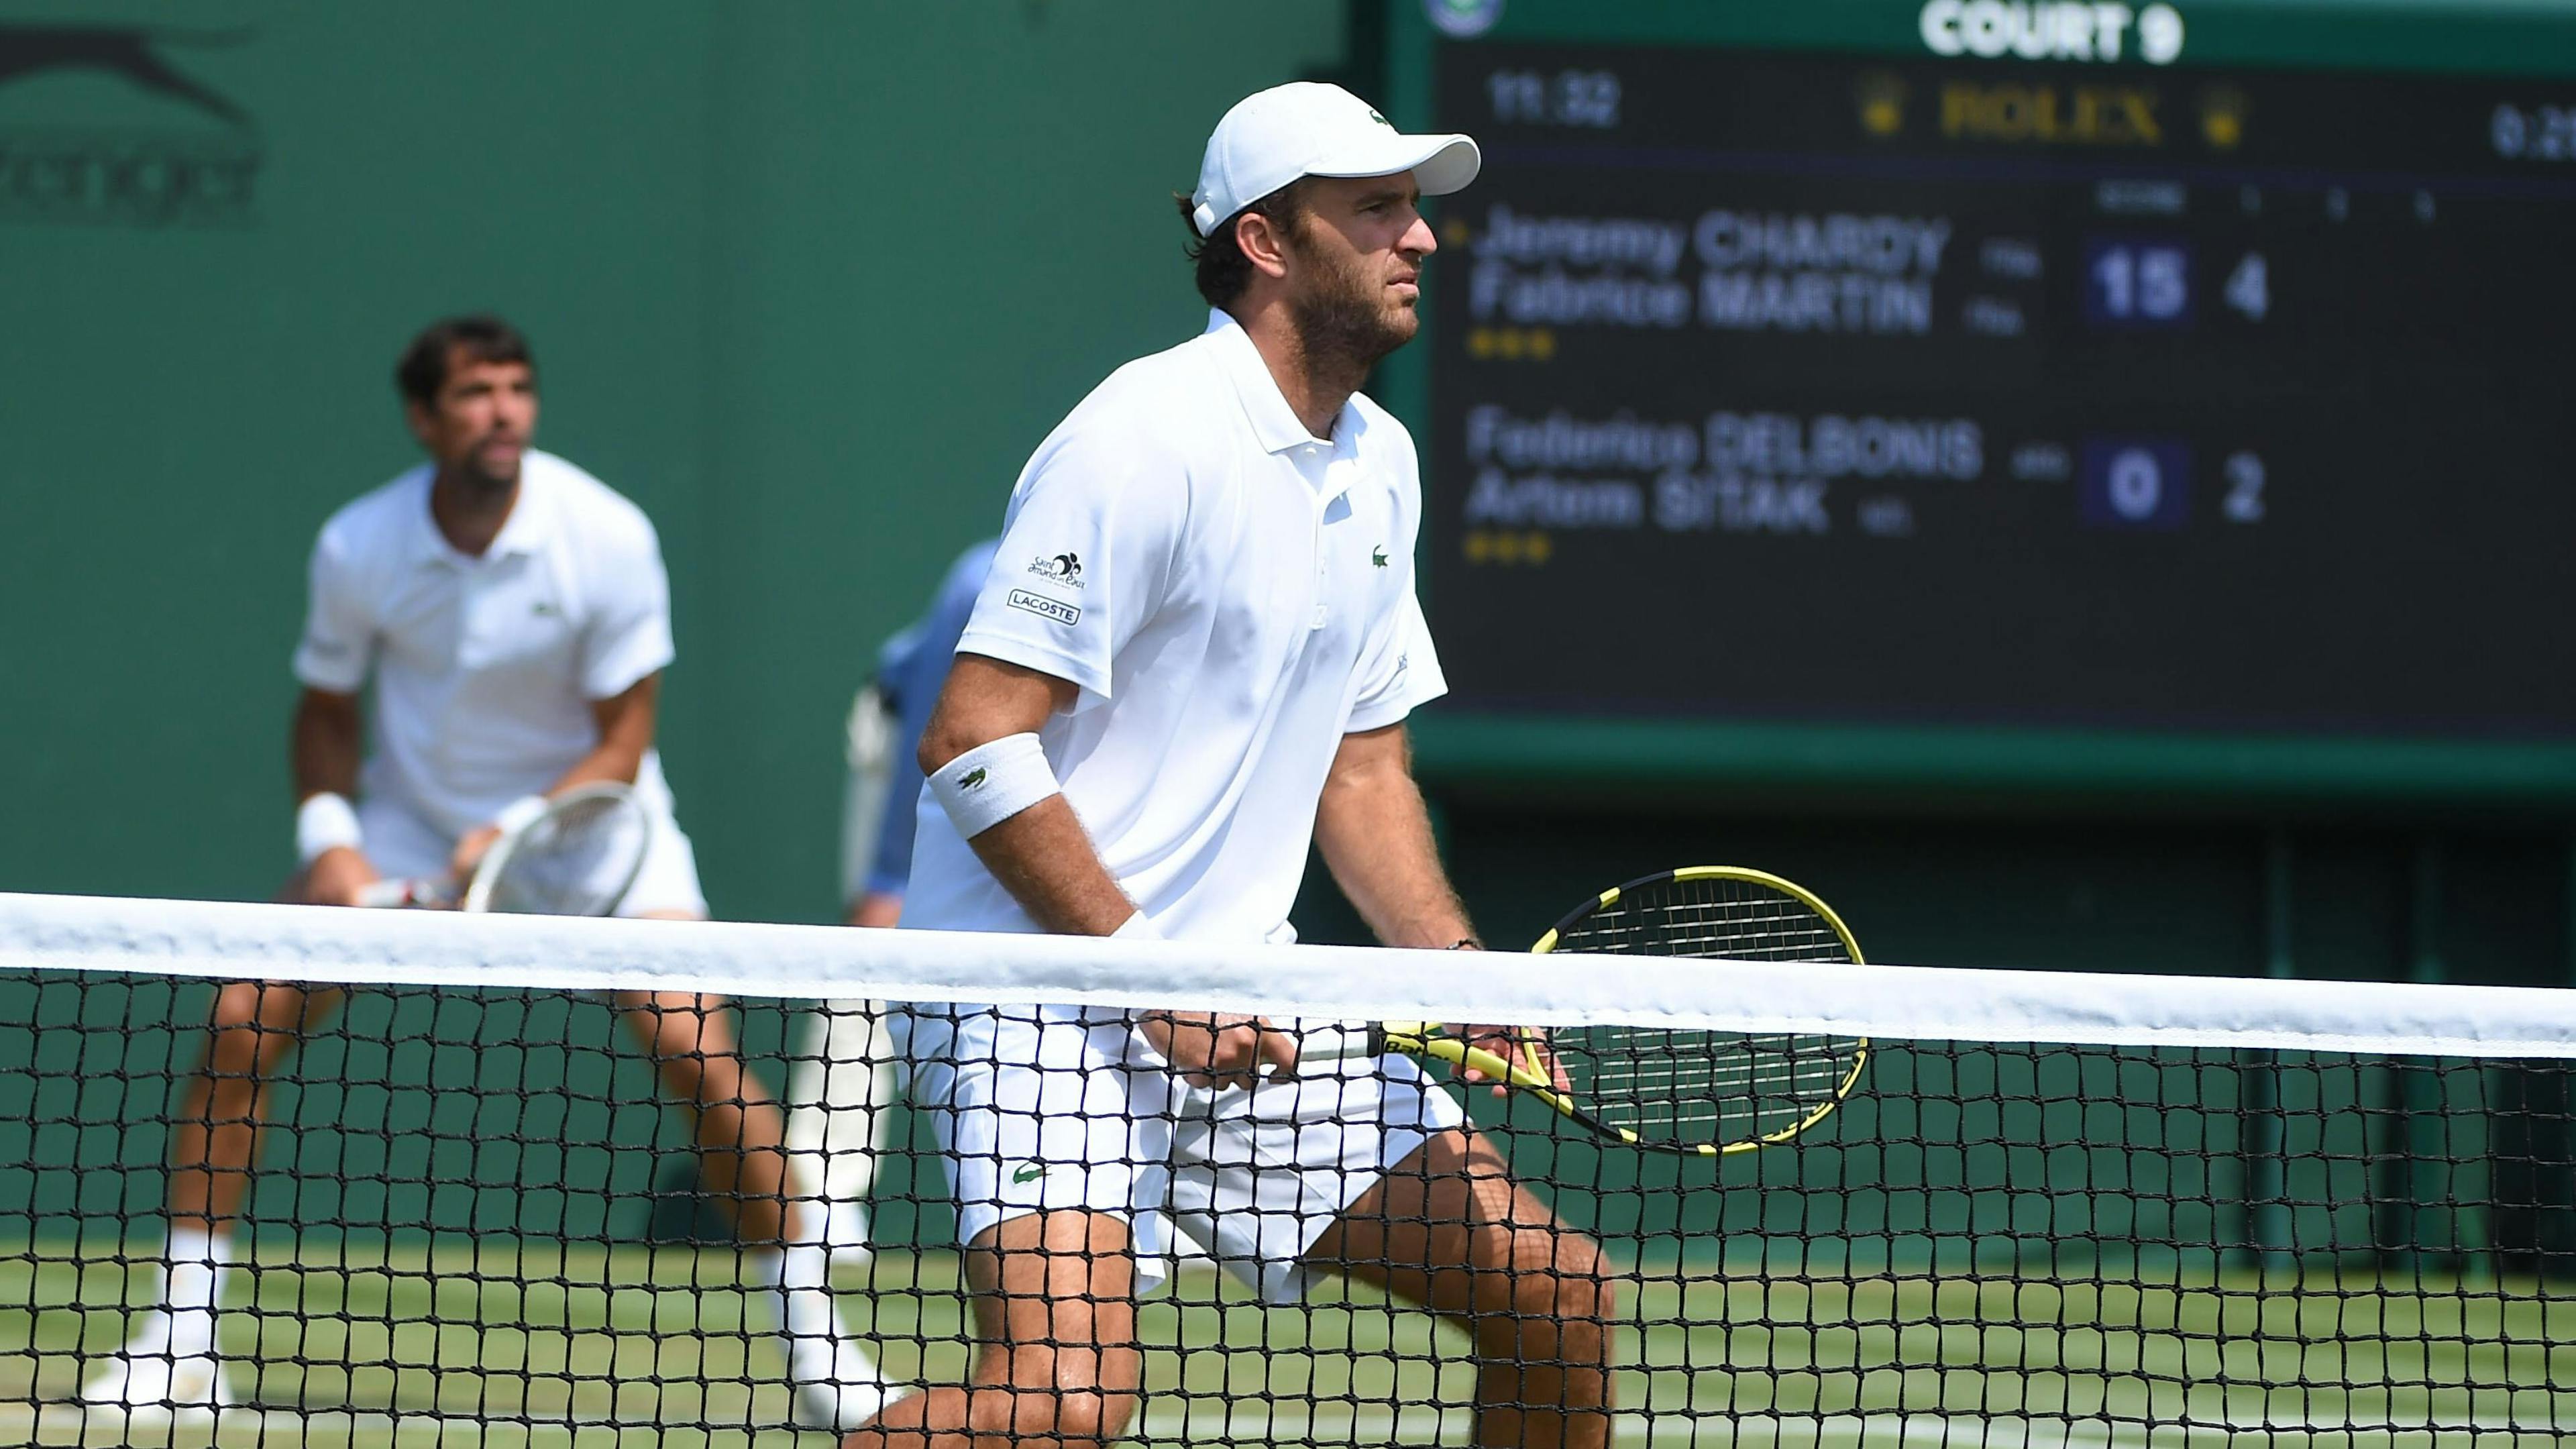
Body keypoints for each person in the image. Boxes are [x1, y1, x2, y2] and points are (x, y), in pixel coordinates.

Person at [857, 84, 1616, 1449]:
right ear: (1268, 243)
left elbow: (1364, 769)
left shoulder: (1381, 464)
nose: (1421, 239)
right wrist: (1153, 980)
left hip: (1248, 1000)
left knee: (1556, 1296)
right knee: (1066, 1407)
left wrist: (1452, 963)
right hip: (1037, 998)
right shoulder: (1142, 440)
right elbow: (970, 735)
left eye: (1416, 206)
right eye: (1378, 208)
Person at [82, 316, 892, 1432]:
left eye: (517, 388)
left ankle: (818, 1349)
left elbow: (624, 736)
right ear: (426, 418)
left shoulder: (603, 533)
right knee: (242, 1019)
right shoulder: (359, 546)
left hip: (601, 835)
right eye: (474, 392)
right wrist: (338, 846)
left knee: (697, 1057)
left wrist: (513, 828)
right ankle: (180, 1337)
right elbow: (322, 717)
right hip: (411, 833)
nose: (503, 409)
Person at [785, 537, 998, 1267]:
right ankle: (819, 1198)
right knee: (876, 958)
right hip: (915, 737)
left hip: (1044, 756)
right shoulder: (983, 580)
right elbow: (932, 736)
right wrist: (890, 877)